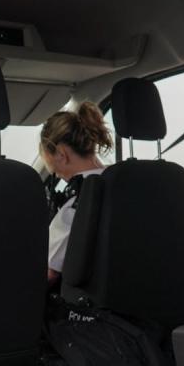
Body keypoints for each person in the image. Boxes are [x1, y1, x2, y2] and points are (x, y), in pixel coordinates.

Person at [39, 101, 113, 285]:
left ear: (61, 154)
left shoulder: (79, 202)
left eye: (54, 172)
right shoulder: (128, 183)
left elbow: (50, 272)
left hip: (89, 309)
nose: (56, 176)